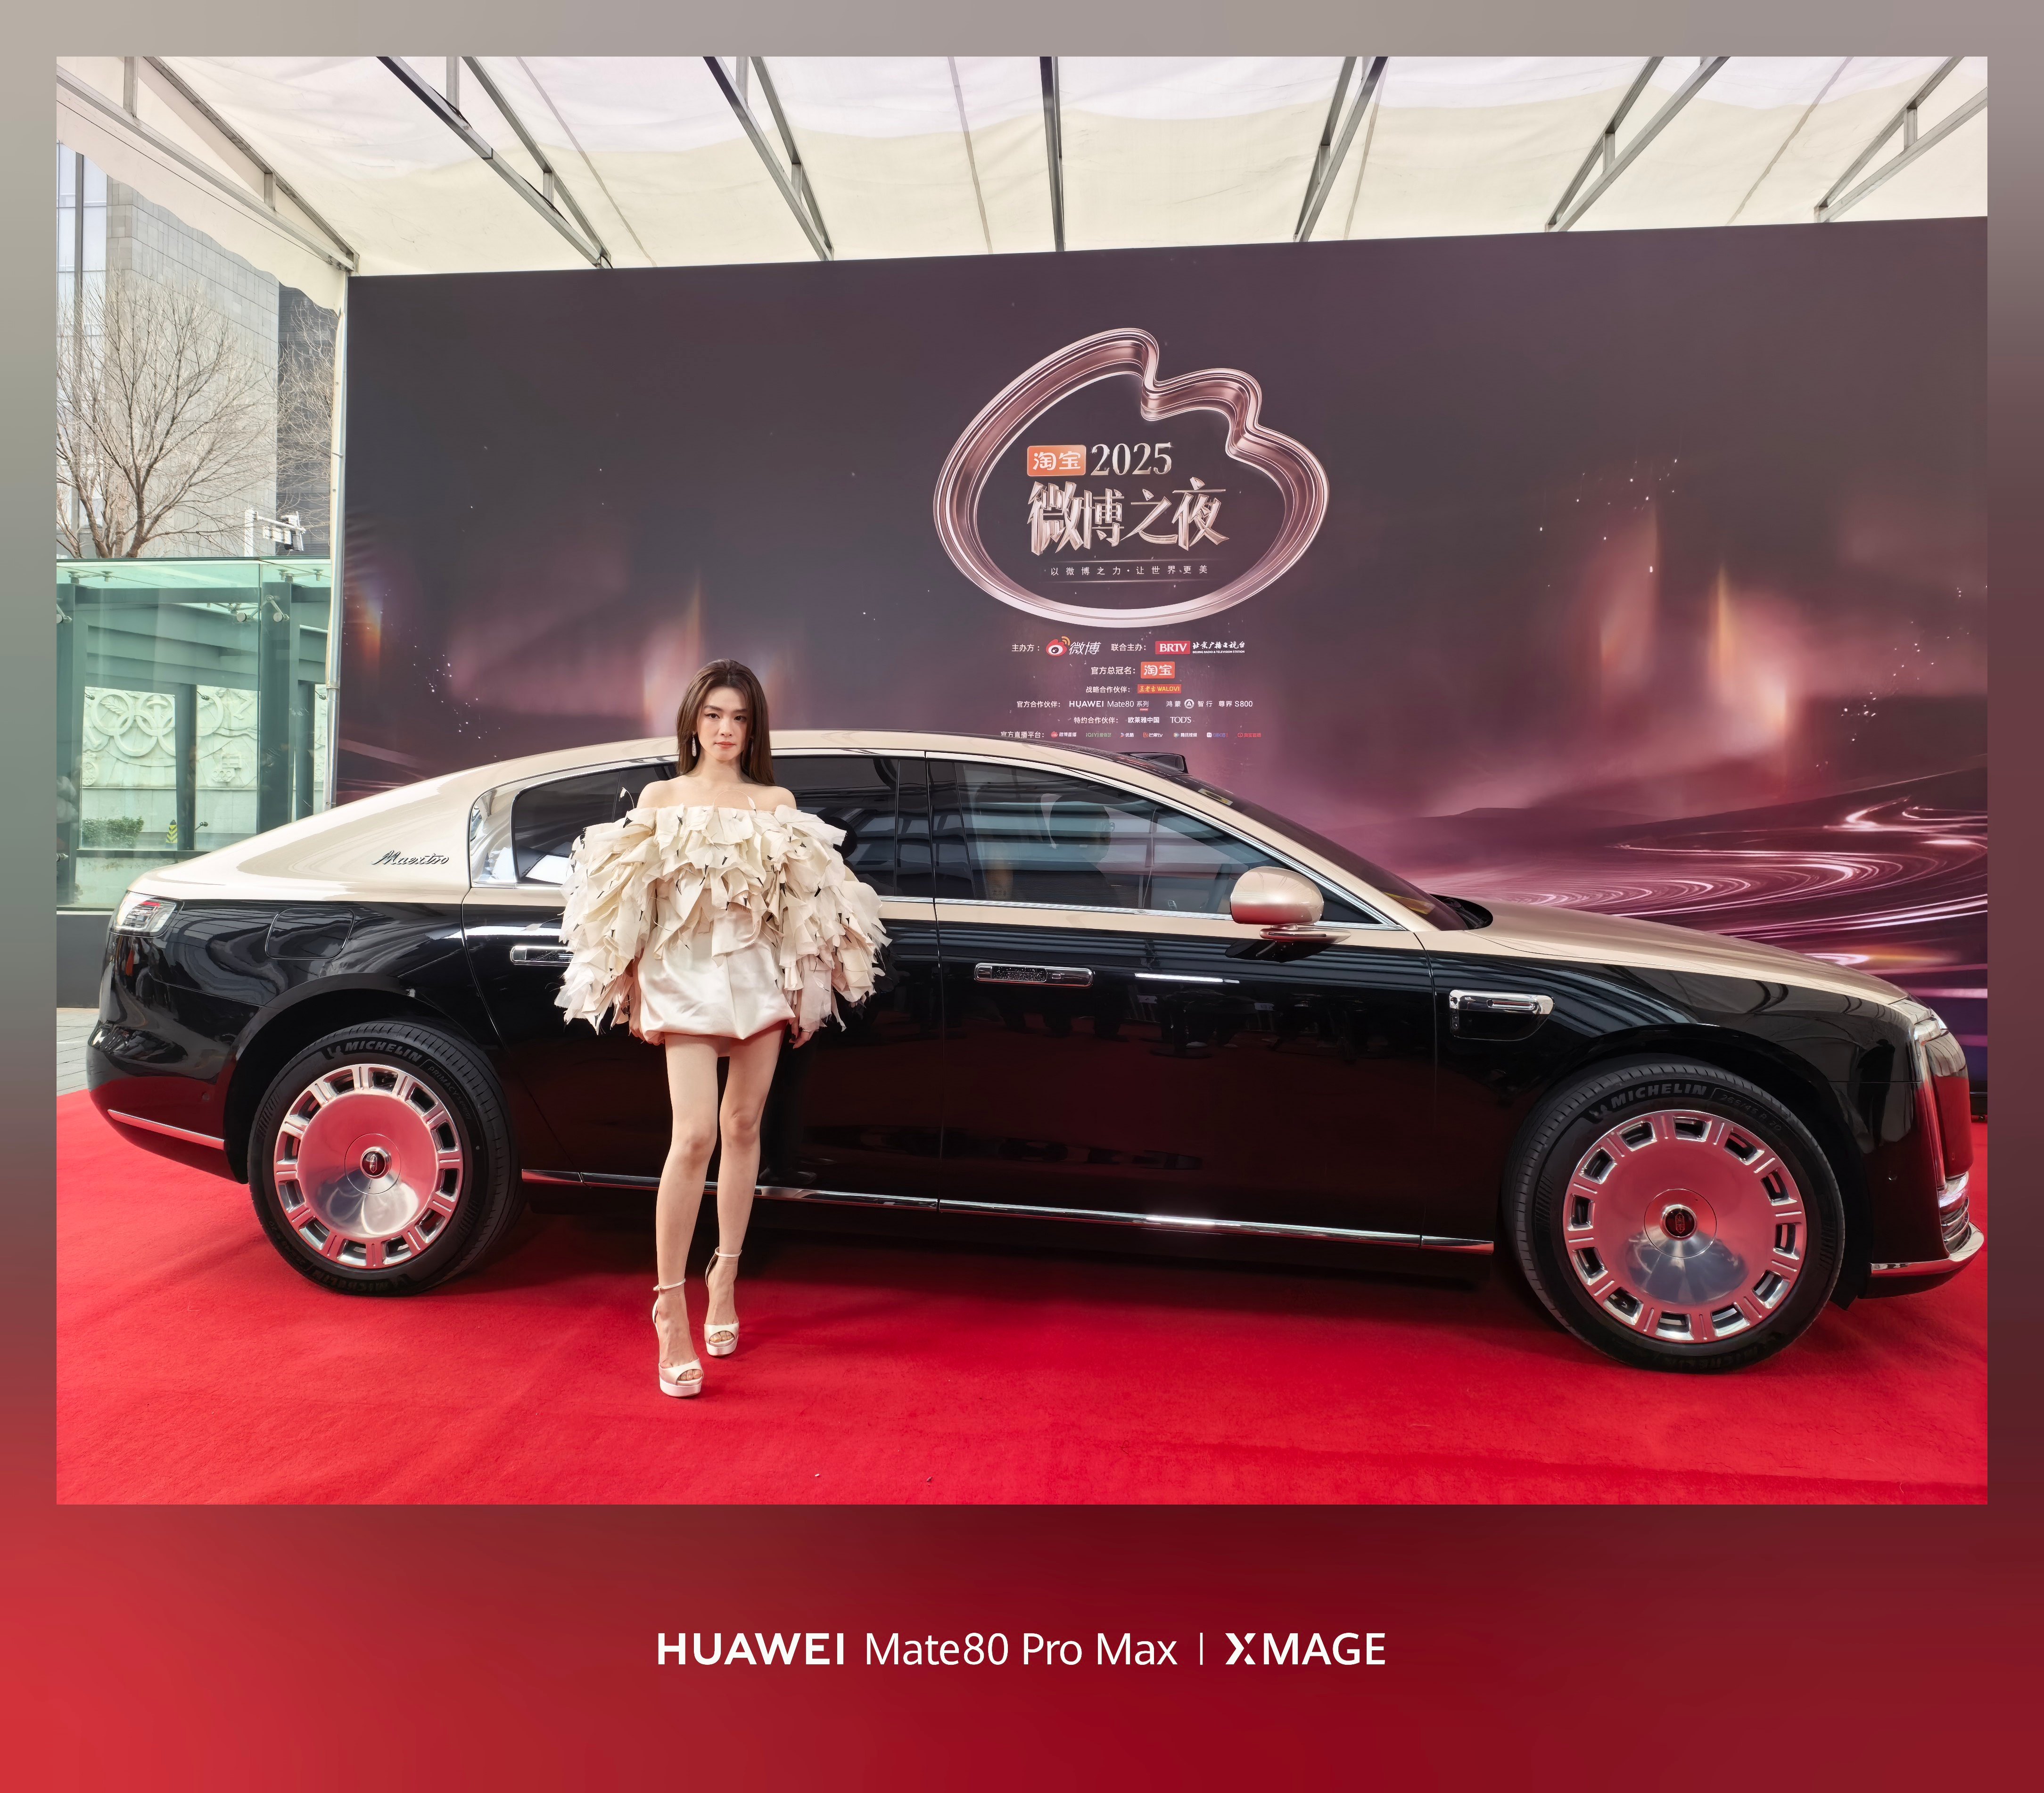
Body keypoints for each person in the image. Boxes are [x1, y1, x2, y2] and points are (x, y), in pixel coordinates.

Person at [554, 660, 888, 1398]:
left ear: (754, 727)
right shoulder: (661, 799)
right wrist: (630, 986)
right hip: (682, 976)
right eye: (713, 715)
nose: (726, 730)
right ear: (693, 722)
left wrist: (806, 994)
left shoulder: (776, 804)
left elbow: (806, 910)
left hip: (759, 977)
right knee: (694, 1136)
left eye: (739, 717)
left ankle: (726, 1275)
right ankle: (669, 1307)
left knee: (743, 1127)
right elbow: (628, 902)